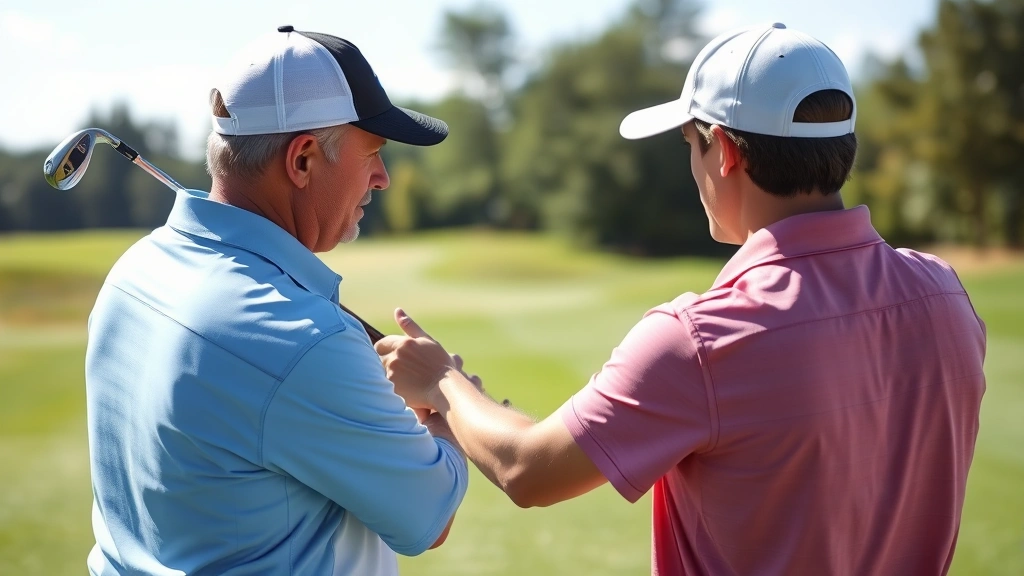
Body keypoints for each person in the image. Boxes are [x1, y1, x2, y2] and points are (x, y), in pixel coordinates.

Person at [375, 22, 987, 575]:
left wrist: (442, 383)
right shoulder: (946, 295)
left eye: (689, 143)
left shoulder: (701, 338)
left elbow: (528, 470)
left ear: (723, 151)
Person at [84, 26, 469, 576]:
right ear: (303, 159)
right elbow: (430, 517)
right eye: (374, 154)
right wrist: (446, 401)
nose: (382, 178)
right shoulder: (304, 339)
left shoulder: (133, 270)